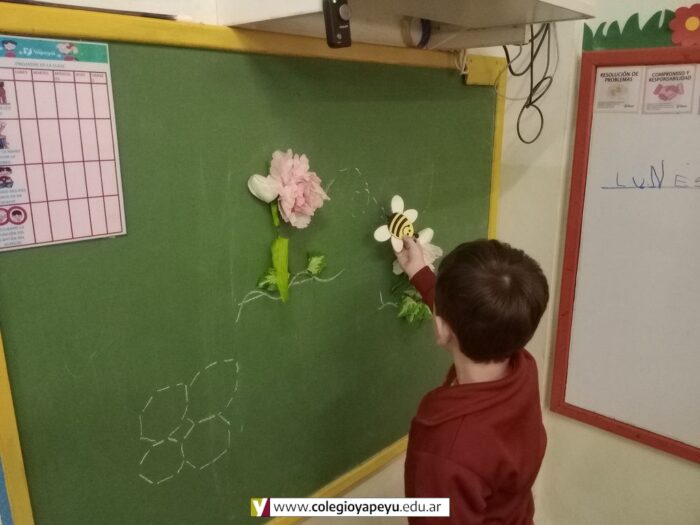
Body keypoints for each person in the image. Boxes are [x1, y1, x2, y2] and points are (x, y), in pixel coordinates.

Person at [394, 237, 549, 524]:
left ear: (442, 329)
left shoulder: (445, 451)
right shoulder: (523, 367)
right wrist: (420, 273)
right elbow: (478, 317)